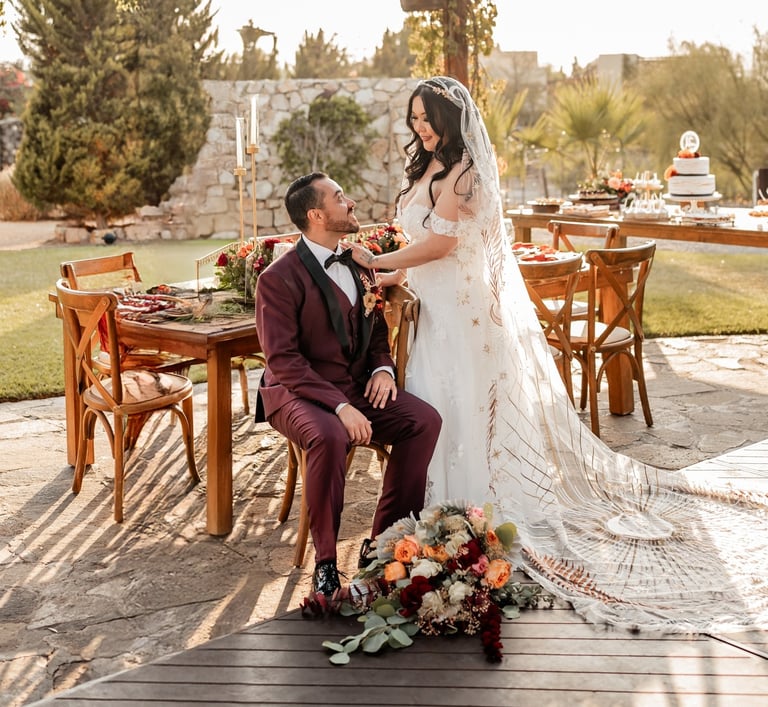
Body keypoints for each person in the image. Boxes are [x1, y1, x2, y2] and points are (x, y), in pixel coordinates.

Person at [346, 76, 768, 633]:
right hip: (436, 313)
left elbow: (443, 245)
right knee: (435, 403)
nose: (420, 128)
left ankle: (473, 510)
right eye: (415, 119)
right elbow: (425, 254)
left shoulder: (467, 174)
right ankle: (437, 509)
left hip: (466, 316)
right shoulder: (428, 168)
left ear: (451, 120)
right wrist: (393, 272)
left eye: (428, 118)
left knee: (464, 403)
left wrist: (374, 263)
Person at [253, 171, 442, 597]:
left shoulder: (360, 263)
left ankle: (383, 543)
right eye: (341, 198)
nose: (351, 202)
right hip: (296, 391)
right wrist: (340, 406)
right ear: (316, 214)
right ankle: (324, 563)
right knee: (328, 436)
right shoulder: (277, 280)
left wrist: (382, 370)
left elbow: (376, 335)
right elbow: (283, 361)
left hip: (357, 385)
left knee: (424, 420)